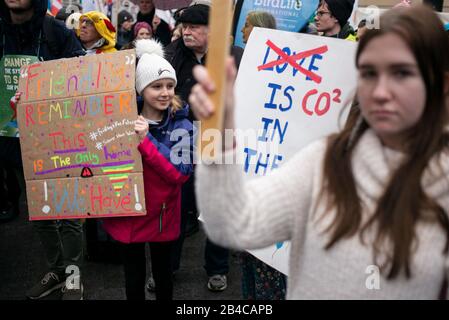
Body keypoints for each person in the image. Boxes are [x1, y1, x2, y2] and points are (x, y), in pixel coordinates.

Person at [189, 5, 449, 299]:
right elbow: (232, 224)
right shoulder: (324, 162)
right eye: (368, 73)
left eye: (402, 72)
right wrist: (219, 134)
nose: (380, 91)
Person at [0, 0, 85, 299]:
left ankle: (74, 280)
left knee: (69, 212)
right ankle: (57, 270)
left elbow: (82, 78)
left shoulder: (56, 32)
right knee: (39, 213)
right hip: (14, 140)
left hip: (58, 139)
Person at [102, 39, 194, 300]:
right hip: (129, 212)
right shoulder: (120, 118)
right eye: (156, 86)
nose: (165, 93)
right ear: (142, 89)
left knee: (163, 275)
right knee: (133, 276)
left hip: (163, 214)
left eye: (169, 86)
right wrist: (24, 105)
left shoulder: (182, 125)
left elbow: (180, 172)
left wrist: (146, 141)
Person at [165, 3, 243, 292]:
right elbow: (156, 96)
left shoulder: (233, 57)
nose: (187, 32)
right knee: (177, 207)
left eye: (194, 27)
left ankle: (218, 269)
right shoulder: (170, 56)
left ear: (213, 30)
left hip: (220, 142)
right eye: (185, 26)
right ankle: (166, 268)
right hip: (180, 142)